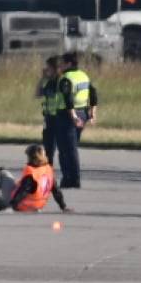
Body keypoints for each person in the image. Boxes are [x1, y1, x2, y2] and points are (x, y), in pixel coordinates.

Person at [0, 144, 72, 213]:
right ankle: (0, 201)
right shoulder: (48, 170)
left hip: (22, 205)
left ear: (32, 157)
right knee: (15, 183)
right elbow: (56, 191)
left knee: (3, 174)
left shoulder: (31, 174)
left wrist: (12, 206)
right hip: (37, 205)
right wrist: (63, 207)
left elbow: (23, 191)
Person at [54, 51, 97, 189]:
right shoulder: (83, 75)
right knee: (70, 147)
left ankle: (72, 179)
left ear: (68, 64)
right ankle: (69, 178)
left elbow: (68, 99)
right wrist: (92, 112)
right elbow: (93, 92)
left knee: (67, 149)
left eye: (62, 63)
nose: (60, 66)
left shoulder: (66, 78)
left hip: (67, 116)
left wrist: (73, 116)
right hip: (82, 112)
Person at [36, 56, 61, 166]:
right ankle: (49, 170)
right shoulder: (49, 82)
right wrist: (42, 78)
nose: (46, 69)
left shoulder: (62, 81)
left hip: (60, 117)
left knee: (63, 149)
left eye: (48, 67)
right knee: (48, 149)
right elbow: (37, 94)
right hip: (49, 118)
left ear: (55, 68)